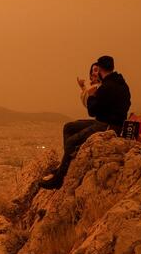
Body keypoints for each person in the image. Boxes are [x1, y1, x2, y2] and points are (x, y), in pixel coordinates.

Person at [39, 55, 131, 190]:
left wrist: (92, 96)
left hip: (106, 126)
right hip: (110, 122)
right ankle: (66, 164)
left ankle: (59, 179)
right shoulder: (122, 84)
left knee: (71, 141)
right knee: (69, 127)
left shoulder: (106, 87)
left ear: (100, 69)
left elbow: (92, 111)